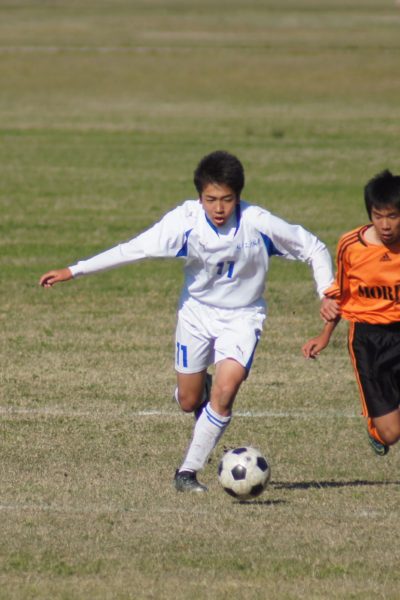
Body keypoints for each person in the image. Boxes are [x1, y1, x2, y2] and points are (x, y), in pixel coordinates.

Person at [40, 150, 333, 492]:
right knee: (189, 402)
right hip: (196, 314)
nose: (219, 208)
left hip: (242, 317)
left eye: (227, 199)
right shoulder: (184, 222)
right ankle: (199, 391)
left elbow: (314, 247)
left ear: (239, 196)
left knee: (227, 390)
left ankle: (187, 472)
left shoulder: (258, 223)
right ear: (200, 197)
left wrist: (326, 292)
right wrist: (74, 270)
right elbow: (132, 249)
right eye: (211, 199)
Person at [302, 169, 400, 457]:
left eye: (393, 216)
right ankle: (376, 428)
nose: (385, 225)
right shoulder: (351, 246)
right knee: (391, 434)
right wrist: (324, 335)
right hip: (369, 340)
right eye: (378, 216)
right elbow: (340, 295)